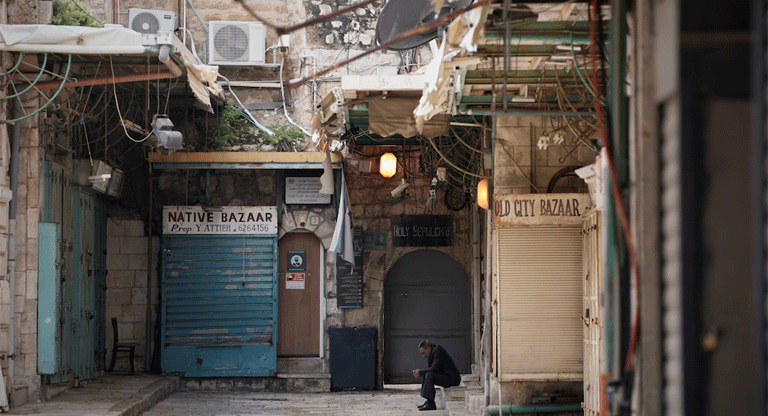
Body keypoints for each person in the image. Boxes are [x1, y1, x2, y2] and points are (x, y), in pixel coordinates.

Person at [412, 340, 461, 411]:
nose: (423, 356)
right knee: (426, 373)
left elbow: (434, 368)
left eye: (423, 353)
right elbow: (430, 368)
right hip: (446, 376)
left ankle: (431, 404)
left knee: (429, 375)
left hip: (452, 379)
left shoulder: (438, 351)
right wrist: (419, 372)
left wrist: (420, 371)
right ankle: (428, 401)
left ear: (428, 348)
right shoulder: (433, 352)